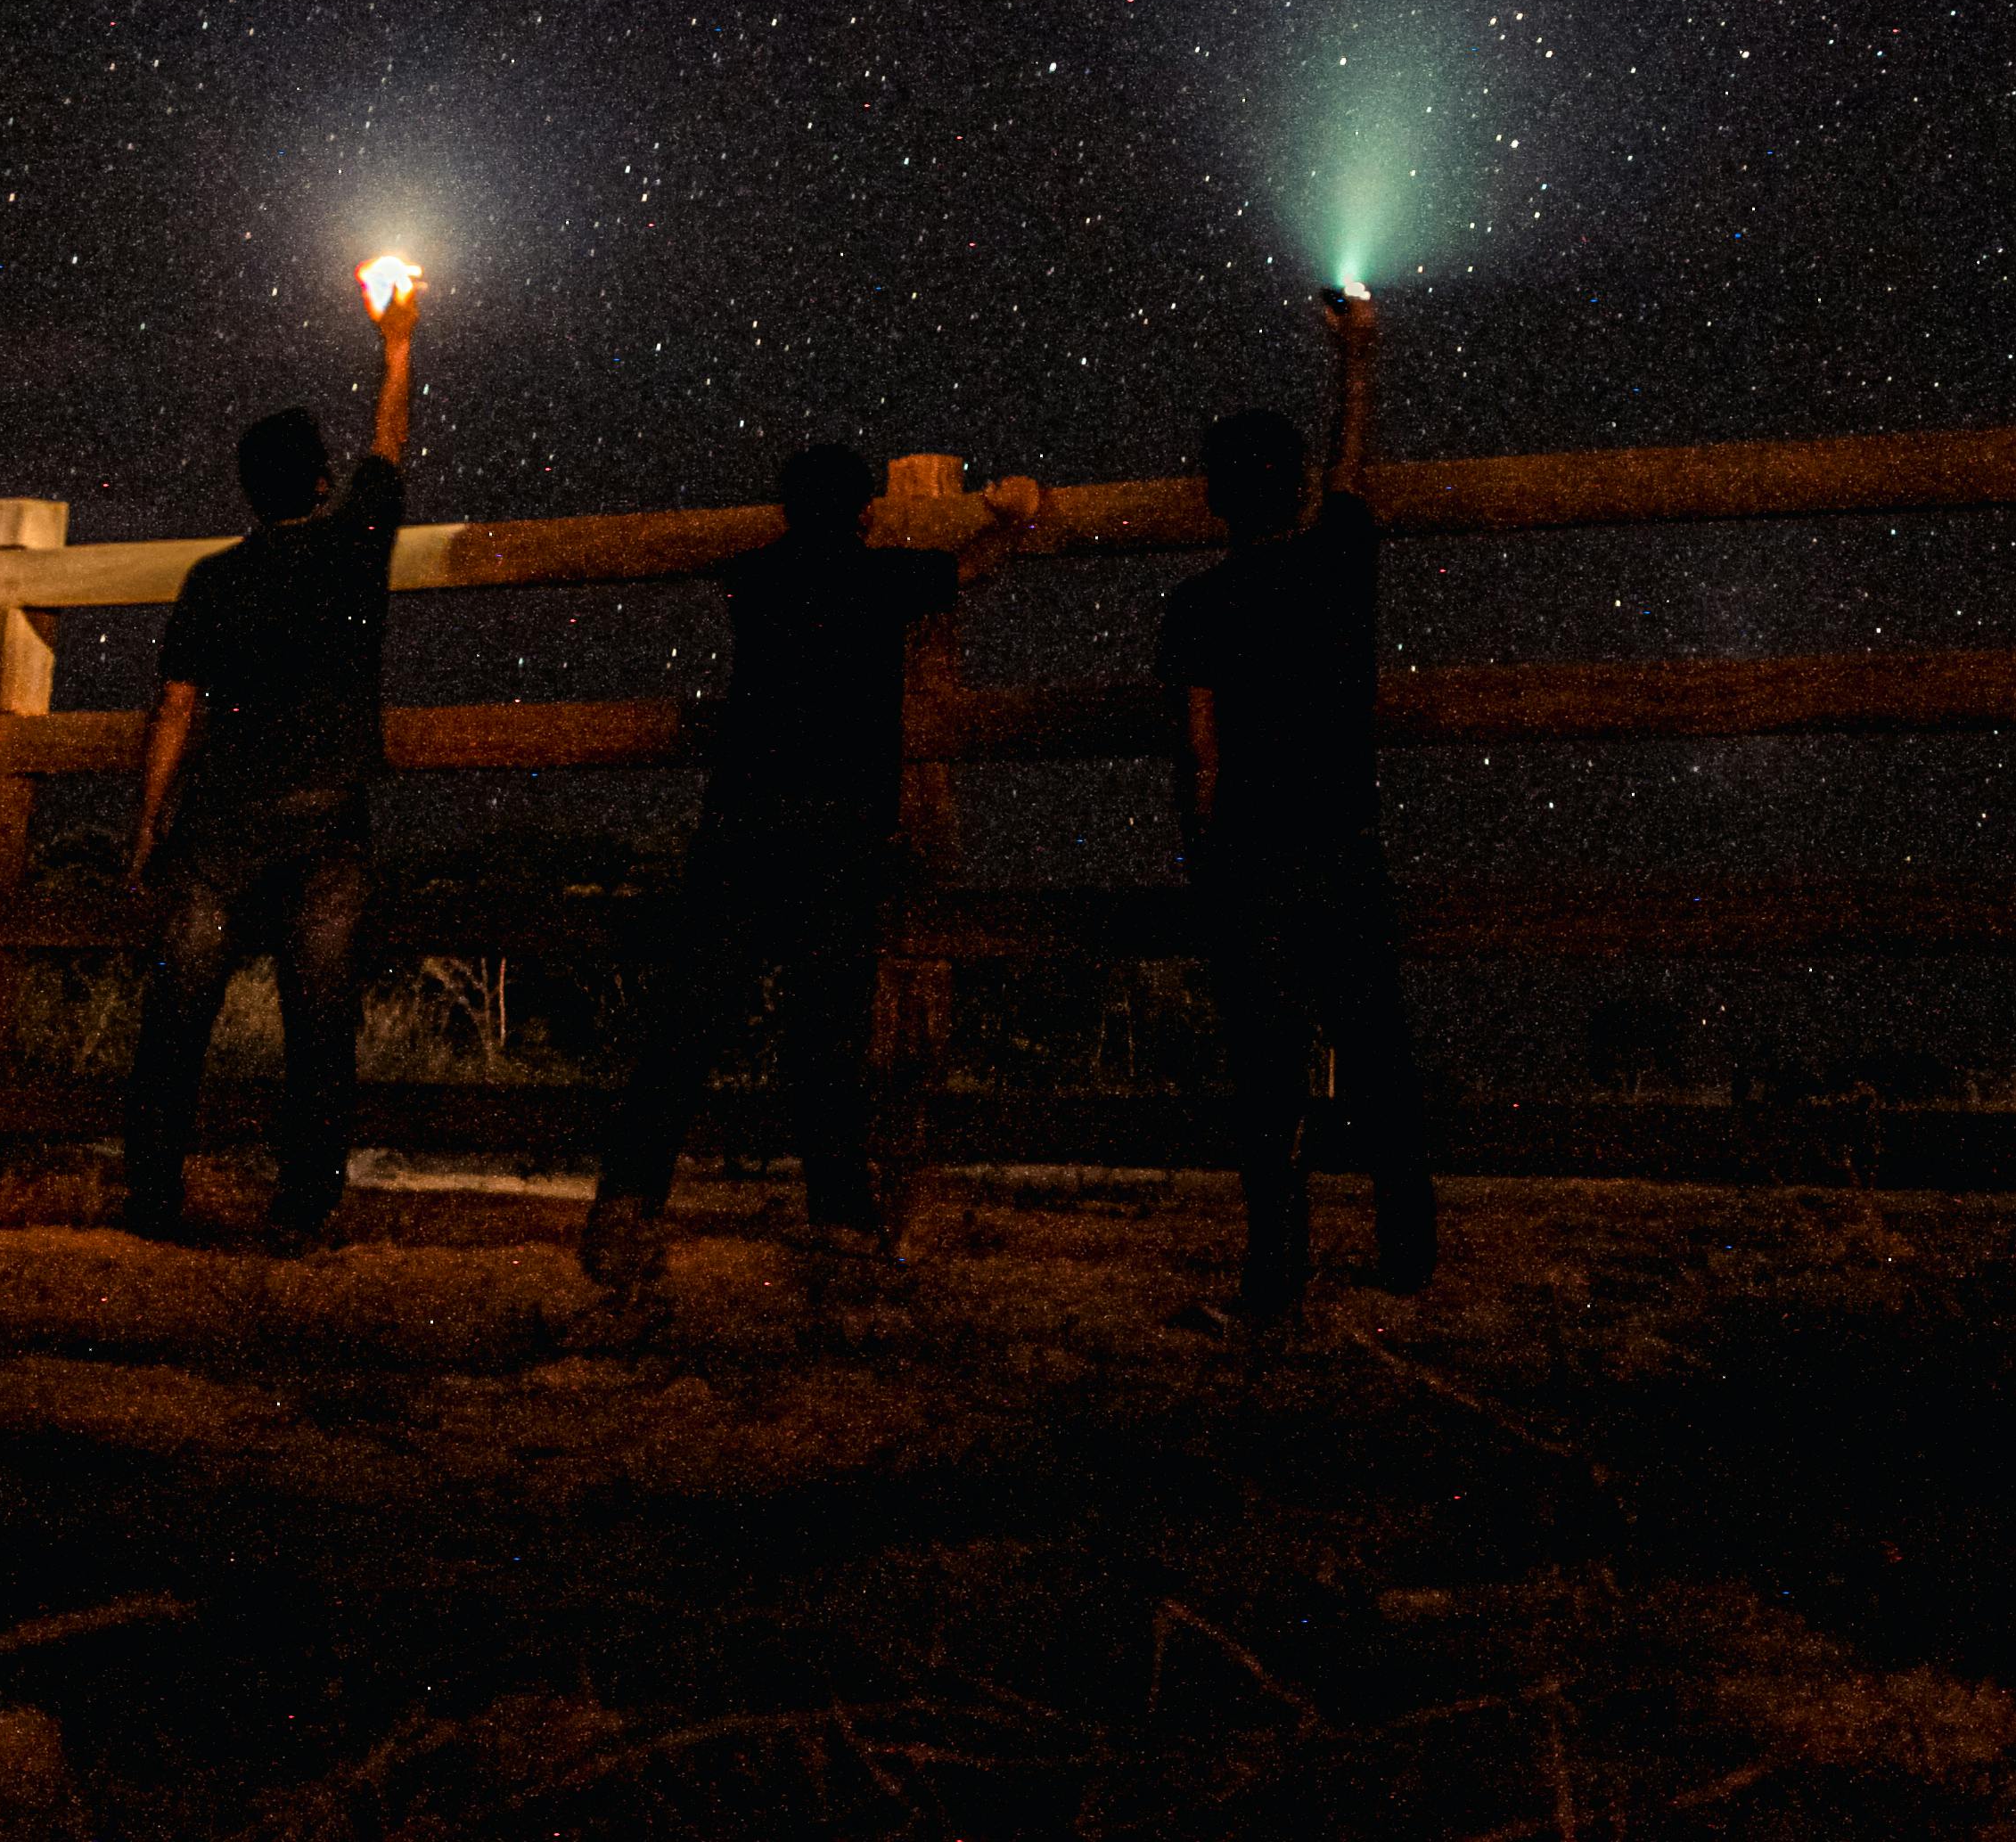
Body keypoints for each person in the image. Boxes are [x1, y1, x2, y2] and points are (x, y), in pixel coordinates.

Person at [581, 444, 1043, 1283]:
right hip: (840, 831)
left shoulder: (752, 578)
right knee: (826, 1027)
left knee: (690, 1021)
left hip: (742, 822)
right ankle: (840, 1213)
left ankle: (626, 1198)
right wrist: (1014, 516)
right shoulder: (882, 579)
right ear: (865, 511)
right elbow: (975, 568)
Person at [115, 263, 426, 1243]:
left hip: (218, 825)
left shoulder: (213, 579)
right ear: (324, 485)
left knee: (178, 1021)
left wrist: (148, 823)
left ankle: (155, 1198)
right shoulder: (353, 549)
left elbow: (173, 710)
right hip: (326, 817)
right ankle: (303, 1205)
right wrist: (399, 346)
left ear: (251, 495)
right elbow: (390, 442)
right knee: (321, 1024)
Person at [1158, 287, 1435, 1324]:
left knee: (1267, 1075)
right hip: (1345, 844)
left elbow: (1201, 753)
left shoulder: (1193, 607)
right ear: (1293, 492)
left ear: (1214, 499)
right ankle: (1408, 1253)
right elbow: (1352, 462)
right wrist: (1358, 360)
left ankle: (1274, 1275)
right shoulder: (1339, 566)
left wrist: (1202, 861)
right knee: (1377, 1054)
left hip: (1250, 860)